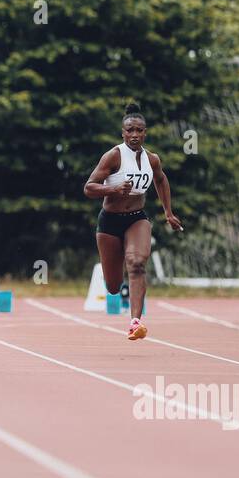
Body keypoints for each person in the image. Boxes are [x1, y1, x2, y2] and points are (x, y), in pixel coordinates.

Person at [83, 102, 183, 340]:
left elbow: (161, 180)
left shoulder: (152, 159)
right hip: (109, 222)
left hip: (137, 218)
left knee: (137, 263)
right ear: (123, 133)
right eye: (130, 130)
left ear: (145, 132)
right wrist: (115, 188)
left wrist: (168, 212)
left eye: (139, 130)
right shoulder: (113, 156)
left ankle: (135, 322)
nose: (135, 135)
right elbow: (88, 188)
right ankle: (117, 285)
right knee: (113, 287)